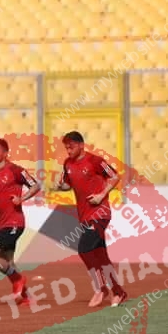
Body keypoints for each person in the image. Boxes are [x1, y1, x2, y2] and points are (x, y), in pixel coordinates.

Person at [52, 131, 128, 307]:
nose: (68, 150)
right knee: (100, 255)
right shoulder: (68, 164)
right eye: (66, 147)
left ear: (81, 145)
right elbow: (67, 184)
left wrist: (101, 195)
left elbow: (115, 176)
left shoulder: (95, 161)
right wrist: (60, 186)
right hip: (84, 215)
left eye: (71, 146)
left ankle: (101, 288)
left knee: (84, 248)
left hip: (100, 213)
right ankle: (118, 292)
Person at [0, 138, 41, 306]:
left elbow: (35, 185)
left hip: (14, 222)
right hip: (0, 223)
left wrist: (22, 198)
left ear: (5, 153)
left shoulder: (16, 170)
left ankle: (19, 279)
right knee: (9, 262)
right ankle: (25, 296)